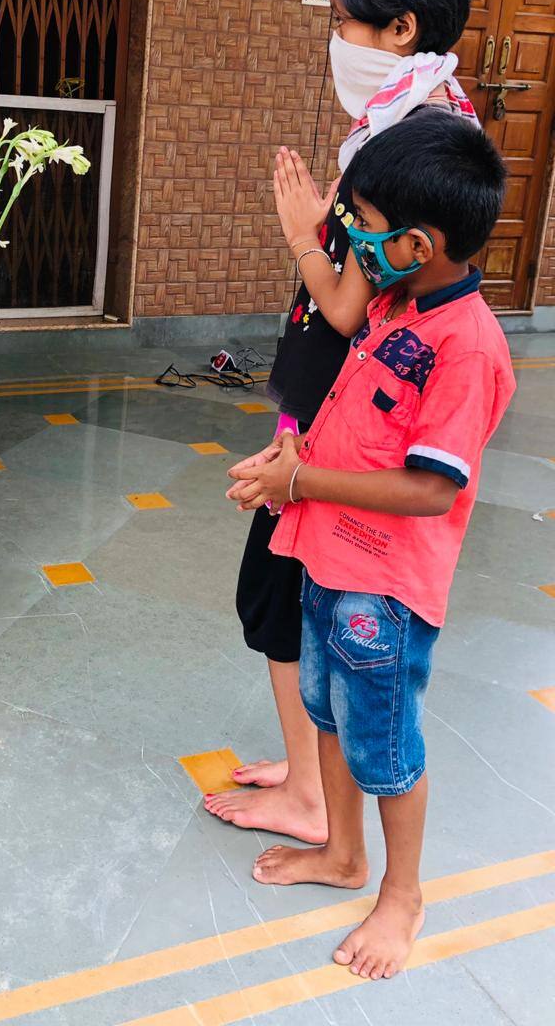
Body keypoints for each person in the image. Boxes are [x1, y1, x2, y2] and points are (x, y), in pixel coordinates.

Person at [206, 0, 478, 844]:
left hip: (340, 407)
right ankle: (310, 764)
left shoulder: (403, 141)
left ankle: (313, 800)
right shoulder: (428, 118)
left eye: (346, 20)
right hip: (332, 399)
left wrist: (299, 235)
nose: (336, 39)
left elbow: (356, 309)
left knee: (283, 592)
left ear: (401, 29)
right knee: (291, 593)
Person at [225, 109, 514, 979]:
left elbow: (430, 487)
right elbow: (352, 402)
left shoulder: (466, 349)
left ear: (420, 243)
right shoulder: (396, 301)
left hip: (381, 591)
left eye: (365, 230)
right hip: (328, 558)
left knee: (383, 746)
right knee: (328, 718)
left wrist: (300, 484)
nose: (352, 241)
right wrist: (291, 460)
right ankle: (341, 855)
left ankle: (402, 896)